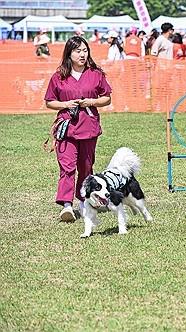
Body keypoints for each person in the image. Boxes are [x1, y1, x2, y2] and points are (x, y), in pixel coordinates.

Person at [44, 36, 112, 222]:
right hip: (66, 128)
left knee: (86, 166)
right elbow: (50, 102)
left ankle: (83, 202)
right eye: (77, 51)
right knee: (67, 167)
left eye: (85, 50)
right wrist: (65, 104)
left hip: (89, 127)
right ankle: (66, 206)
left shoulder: (96, 74)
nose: (82, 54)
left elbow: (107, 97)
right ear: (69, 53)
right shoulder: (59, 76)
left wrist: (91, 101)